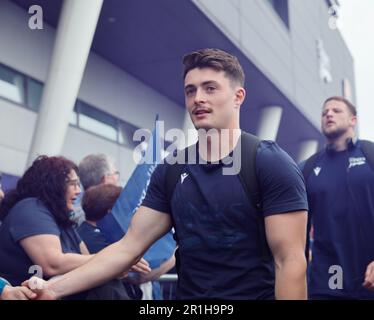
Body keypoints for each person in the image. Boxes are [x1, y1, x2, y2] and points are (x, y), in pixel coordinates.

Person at [25, 48, 308, 300]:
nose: (198, 98)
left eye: (210, 88)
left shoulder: (269, 163)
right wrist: (53, 289)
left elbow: (290, 261)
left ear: (238, 97)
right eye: (190, 90)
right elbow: (127, 249)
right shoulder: (172, 170)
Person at [0, 155, 149, 299]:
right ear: (52, 185)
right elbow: (53, 264)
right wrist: (116, 260)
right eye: (72, 184)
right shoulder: (30, 207)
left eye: (78, 184)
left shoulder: (63, 221)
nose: (78, 191)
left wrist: (115, 266)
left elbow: (87, 261)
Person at [301, 96, 374, 299]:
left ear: (353, 120)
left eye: (336, 110)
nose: (328, 115)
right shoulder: (309, 167)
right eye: (324, 113)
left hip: (369, 274)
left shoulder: (370, 154)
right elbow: (299, 226)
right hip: (327, 280)